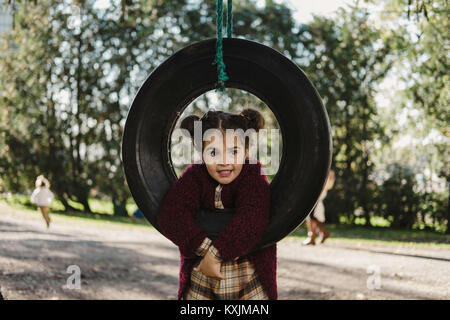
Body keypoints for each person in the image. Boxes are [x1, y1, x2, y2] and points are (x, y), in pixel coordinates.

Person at [157, 108, 277, 300]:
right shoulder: (196, 175)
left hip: (248, 275)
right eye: (213, 152)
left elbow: (253, 218)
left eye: (234, 152)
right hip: (201, 273)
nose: (224, 161)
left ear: (246, 151)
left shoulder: (252, 174)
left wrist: (216, 254)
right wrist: (205, 250)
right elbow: (171, 214)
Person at [303, 170, 335, 245]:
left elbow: (328, 185)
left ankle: (313, 237)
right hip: (315, 197)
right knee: (313, 217)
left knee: (311, 217)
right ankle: (322, 234)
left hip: (316, 198)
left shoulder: (327, 171)